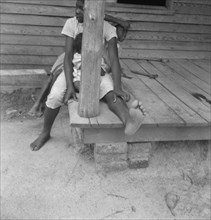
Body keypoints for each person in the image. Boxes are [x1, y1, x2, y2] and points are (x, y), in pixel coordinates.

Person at [30, 0, 146, 151]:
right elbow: (68, 57)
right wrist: (70, 85)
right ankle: (45, 133)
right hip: (74, 67)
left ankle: (129, 121)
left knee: (111, 92)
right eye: (76, 7)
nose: (77, 12)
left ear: (94, 10)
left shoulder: (107, 28)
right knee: (55, 95)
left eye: (81, 8)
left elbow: (114, 59)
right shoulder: (71, 24)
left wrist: (118, 87)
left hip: (98, 70)